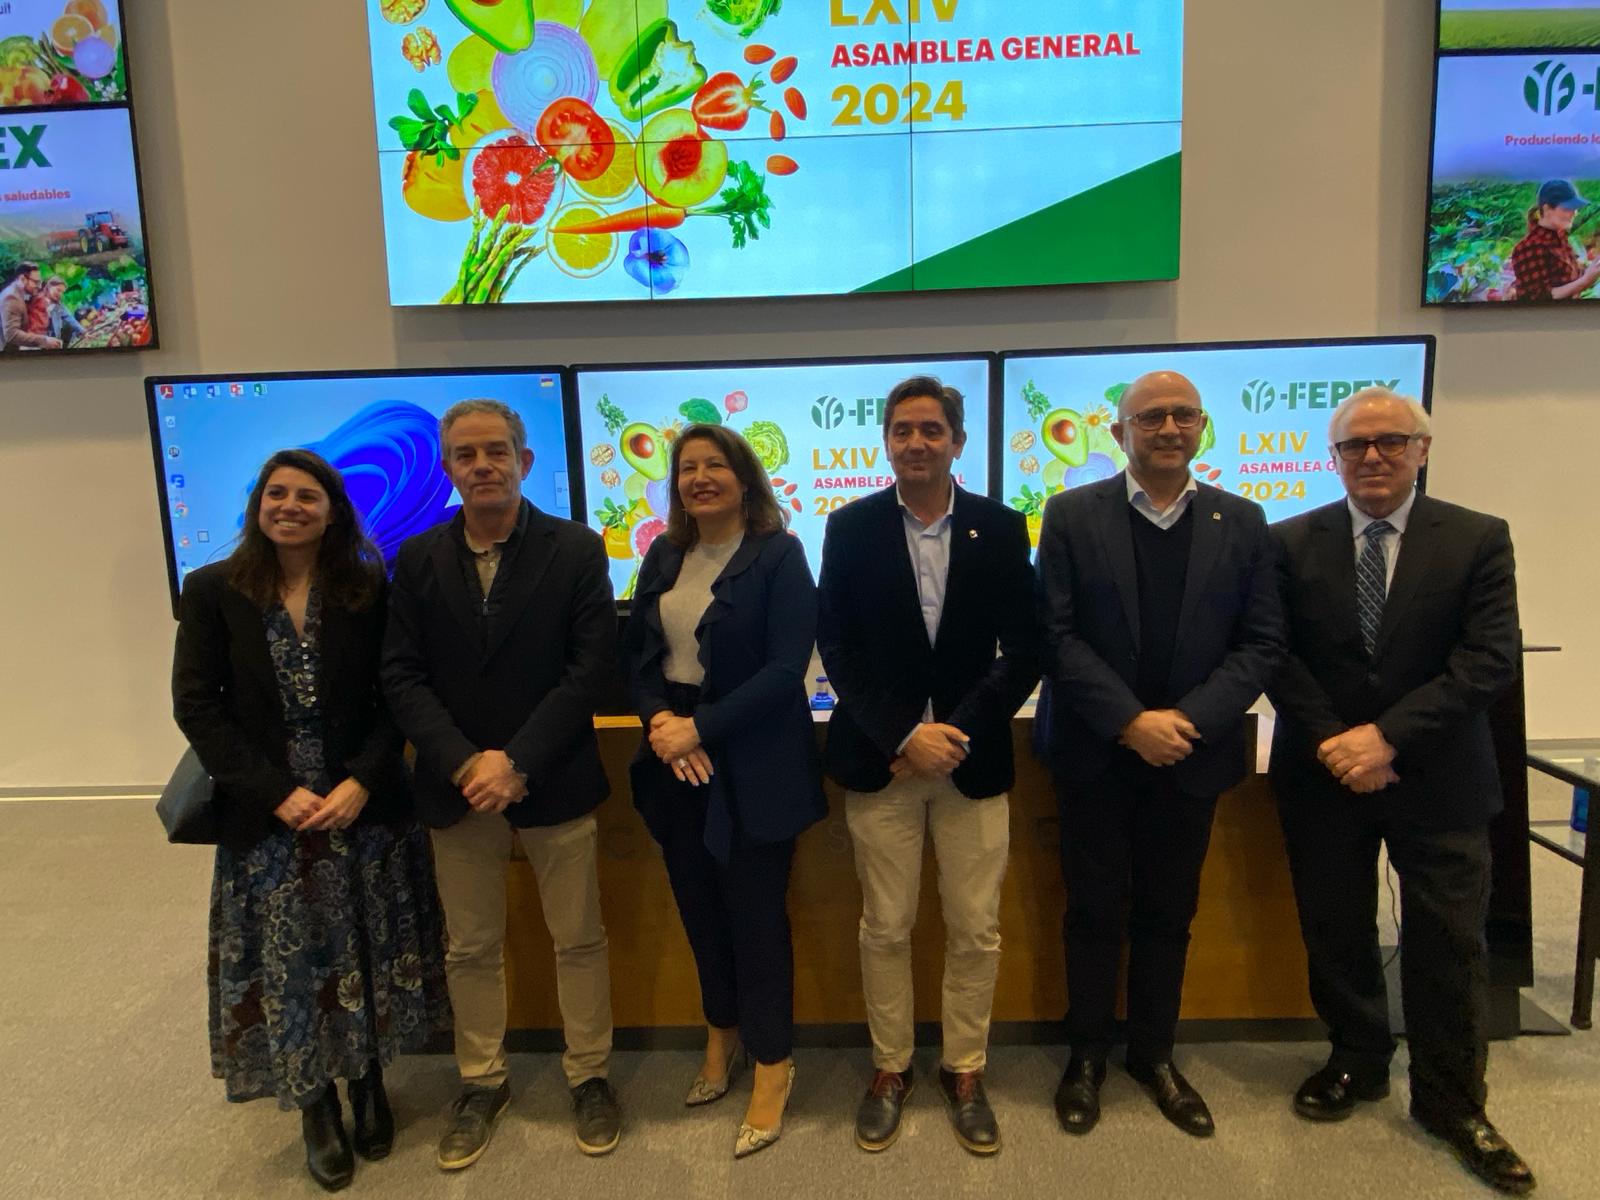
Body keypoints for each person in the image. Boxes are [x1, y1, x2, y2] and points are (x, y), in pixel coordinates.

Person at [1268, 388, 1534, 1195]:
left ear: (1422, 448)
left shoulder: (1477, 537)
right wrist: (1338, 743)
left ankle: (1453, 1102)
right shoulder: (1289, 541)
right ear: (1333, 458)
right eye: (1355, 445)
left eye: (1391, 441)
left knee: (1449, 942)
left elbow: (1489, 658)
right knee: (1336, 928)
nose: (1373, 457)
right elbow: (1275, 653)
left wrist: (1385, 738)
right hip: (1325, 776)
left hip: (1439, 776)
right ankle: (1356, 1059)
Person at [171, 449, 451, 1193]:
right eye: (276, 493)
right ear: (257, 504)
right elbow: (196, 705)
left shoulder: (367, 588)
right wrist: (274, 793)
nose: (289, 506)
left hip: (363, 811)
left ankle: (368, 1081)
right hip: (272, 822)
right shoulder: (212, 590)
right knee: (293, 965)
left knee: (367, 949)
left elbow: (398, 692)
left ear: (333, 512)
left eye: (306, 496)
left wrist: (363, 780)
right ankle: (315, 1104)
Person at [1035, 370, 1284, 1140]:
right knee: (1092, 910)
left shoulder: (1244, 520)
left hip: (1190, 755)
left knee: (1169, 913)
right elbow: (1055, 636)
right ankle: (1086, 1057)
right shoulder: (1071, 514)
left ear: (1202, 427)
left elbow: (1261, 643)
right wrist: (1129, 721)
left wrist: (1187, 721)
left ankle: (1155, 1056)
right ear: (1120, 433)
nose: (1169, 428)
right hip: (1095, 752)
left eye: (1183, 415)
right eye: (1150, 418)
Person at [381, 398, 622, 1167]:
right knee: (470, 947)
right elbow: (402, 675)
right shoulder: (417, 556)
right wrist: (465, 763)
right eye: (466, 454)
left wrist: (515, 762)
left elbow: (589, 670)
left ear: (524, 461)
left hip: (551, 776)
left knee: (578, 938)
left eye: (496, 451)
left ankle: (589, 1075)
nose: (482, 465)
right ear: (447, 468)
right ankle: (482, 1082)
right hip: (457, 788)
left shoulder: (576, 548)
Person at [817, 376, 1039, 1156]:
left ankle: (964, 1069)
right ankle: (891, 1067)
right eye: (903, 430)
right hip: (885, 762)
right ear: (886, 441)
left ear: (957, 441)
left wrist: (955, 731)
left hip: (971, 762)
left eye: (932, 429)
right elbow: (837, 646)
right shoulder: (850, 527)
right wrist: (905, 734)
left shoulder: (1000, 527)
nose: (917, 442)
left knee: (976, 928)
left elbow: (1026, 647)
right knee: (886, 926)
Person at [621, 424, 826, 1158]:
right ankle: (722, 1036)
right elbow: (638, 657)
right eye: (687, 467)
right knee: (700, 911)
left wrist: (699, 729)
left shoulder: (779, 554)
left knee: (755, 919)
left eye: (715, 465)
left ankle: (773, 1063)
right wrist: (660, 723)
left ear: (744, 481)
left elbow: (785, 669)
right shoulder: (663, 554)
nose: (700, 477)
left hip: (754, 759)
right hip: (674, 757)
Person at [1509, 179, 1600, 301]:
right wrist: (1586, 280)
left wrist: (1593, 268)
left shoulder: (1560, 238)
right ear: (1547, 209)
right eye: (1567, 208)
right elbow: (1540, 298)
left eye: (1575, 208)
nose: (1574, 213)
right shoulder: (1529, 247)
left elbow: (1570, 278)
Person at [0, 261, 61, 350]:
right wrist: (44, 341)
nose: (39, 286)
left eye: (40, 282)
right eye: (36, 282)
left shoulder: (18, 293)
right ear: (22, 279)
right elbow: (12, 335)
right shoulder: (12, 297)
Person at [27, 276, 84, 347]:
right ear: (49, 287)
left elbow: (69, 318)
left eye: (62, 292)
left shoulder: (58, 306)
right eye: (58, 290)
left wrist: (83, 331)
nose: (60, 294)